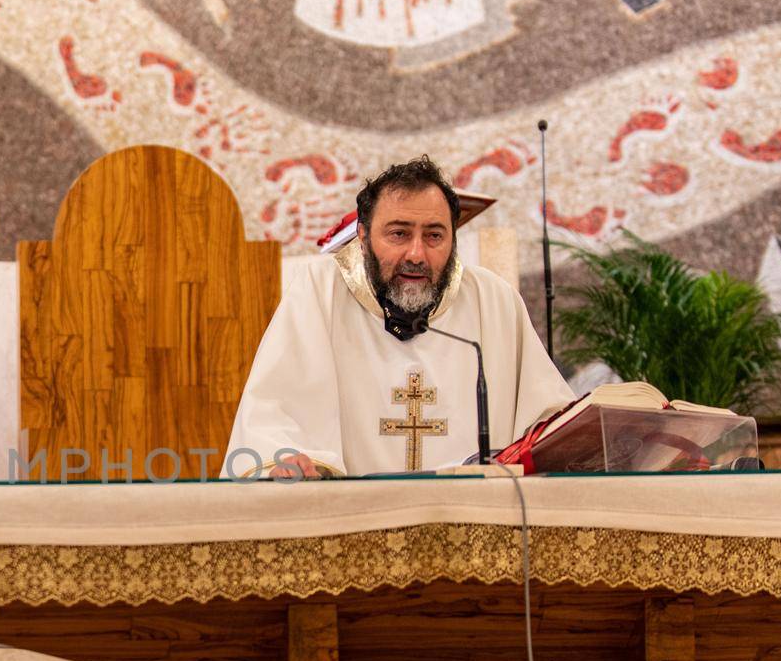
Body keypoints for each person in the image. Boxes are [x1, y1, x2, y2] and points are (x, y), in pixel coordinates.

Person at [227, 155, 574, 477]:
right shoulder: (321, 290)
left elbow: (547, 424)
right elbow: (274, 417)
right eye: (399, 233)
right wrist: (289, 463)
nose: (417, 253)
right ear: (363, 237)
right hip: (352, 526)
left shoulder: (494, 300)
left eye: (434, 235)